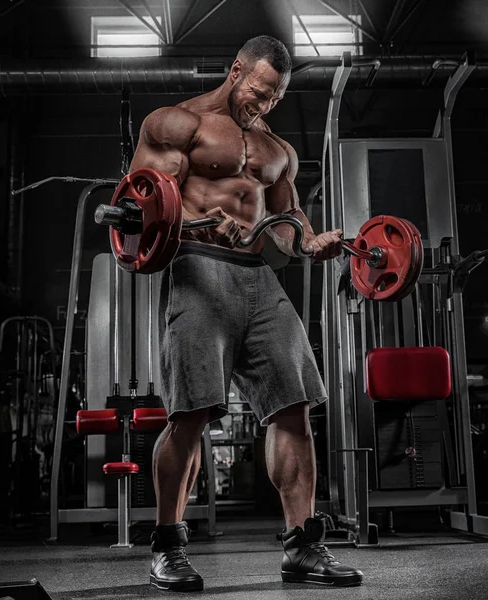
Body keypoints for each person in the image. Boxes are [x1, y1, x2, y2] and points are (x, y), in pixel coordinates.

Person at [129, 35, 363, 592]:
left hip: (262, 281)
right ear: (235, 70)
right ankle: (168, 547)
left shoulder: (277, 149)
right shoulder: (175, 124)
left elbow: (287, 220)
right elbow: (141, 207)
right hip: (197, 270)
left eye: (276, 97)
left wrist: (311, 243)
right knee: (192, 412)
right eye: (259, 91)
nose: (265, 104)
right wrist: (202, 220)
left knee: (294, 405)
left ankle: (303, 547)